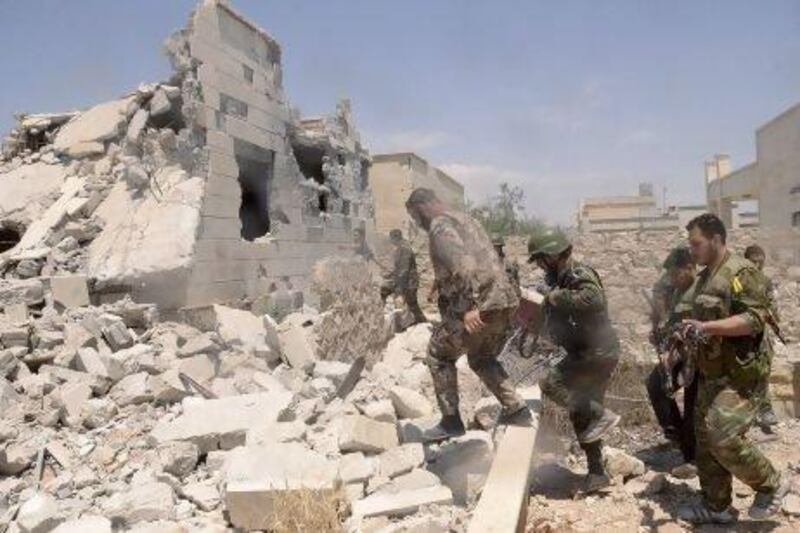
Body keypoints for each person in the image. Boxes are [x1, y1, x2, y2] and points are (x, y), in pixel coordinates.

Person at [678, 213, 788, 524]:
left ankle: (772, 483)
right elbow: (694, 317)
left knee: (722, 436)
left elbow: (755, 319)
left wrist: (707, 326)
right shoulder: (705, 277)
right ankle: (718, 508)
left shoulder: (742, 272)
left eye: (696, 243)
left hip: (741, 373)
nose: (692, 250)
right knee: (704, 442)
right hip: (711, 371)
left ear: (715, 239)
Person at [404, 188, 530, 442]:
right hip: (502, 302)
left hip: (478, 304)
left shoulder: (440, 226)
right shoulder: (466, 219)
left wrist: (471, 305)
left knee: (438, 354)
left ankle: (451, 421)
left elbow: (463, 265)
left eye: (417, 218)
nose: (419, 225)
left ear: (424, 206)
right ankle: (516, 407)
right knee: (481, 356)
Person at [528, 226, 621, 494]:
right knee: (582, 415)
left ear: (553, 255)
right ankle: (597, 473)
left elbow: (593, 299)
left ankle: (601, 414)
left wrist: (555, 297)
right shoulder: (560, 278)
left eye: (540, 259)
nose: (539, 265)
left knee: (550, 382)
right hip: (585, 352)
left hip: (597, 353)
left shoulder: (579, 273)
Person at [645, 247, 698, 463]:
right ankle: (674, 430)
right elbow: (674, 322)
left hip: (701, 358)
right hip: (682, 354)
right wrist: (661, 334)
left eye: (676, 274)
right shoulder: (677, 292)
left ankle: (692, 458)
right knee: (655, 384)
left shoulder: (702, 288)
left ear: (690, 267)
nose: (673, 279)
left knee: (693, 406)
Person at [743, 244, 780, 431]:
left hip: (762, 335)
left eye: (760, 261)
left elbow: (774, 311)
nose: (757, 265)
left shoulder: (766, 282)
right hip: (742, 334)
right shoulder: (738, 281)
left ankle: (765, 410)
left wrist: (771, 311)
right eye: (753, 261)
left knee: (763, 372)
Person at [381, 229, 427, 325]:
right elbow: (400, 267)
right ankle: (420, 321)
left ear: (394, 238)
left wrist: (399, 285)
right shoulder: (401, 247)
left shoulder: (404, 248)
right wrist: (390, 274)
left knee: (411, 303)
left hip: (409, 282)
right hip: (407, 281)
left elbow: (404, 269)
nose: (390, 241)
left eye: (391, 239)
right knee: (412, 303)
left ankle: (421, 321)